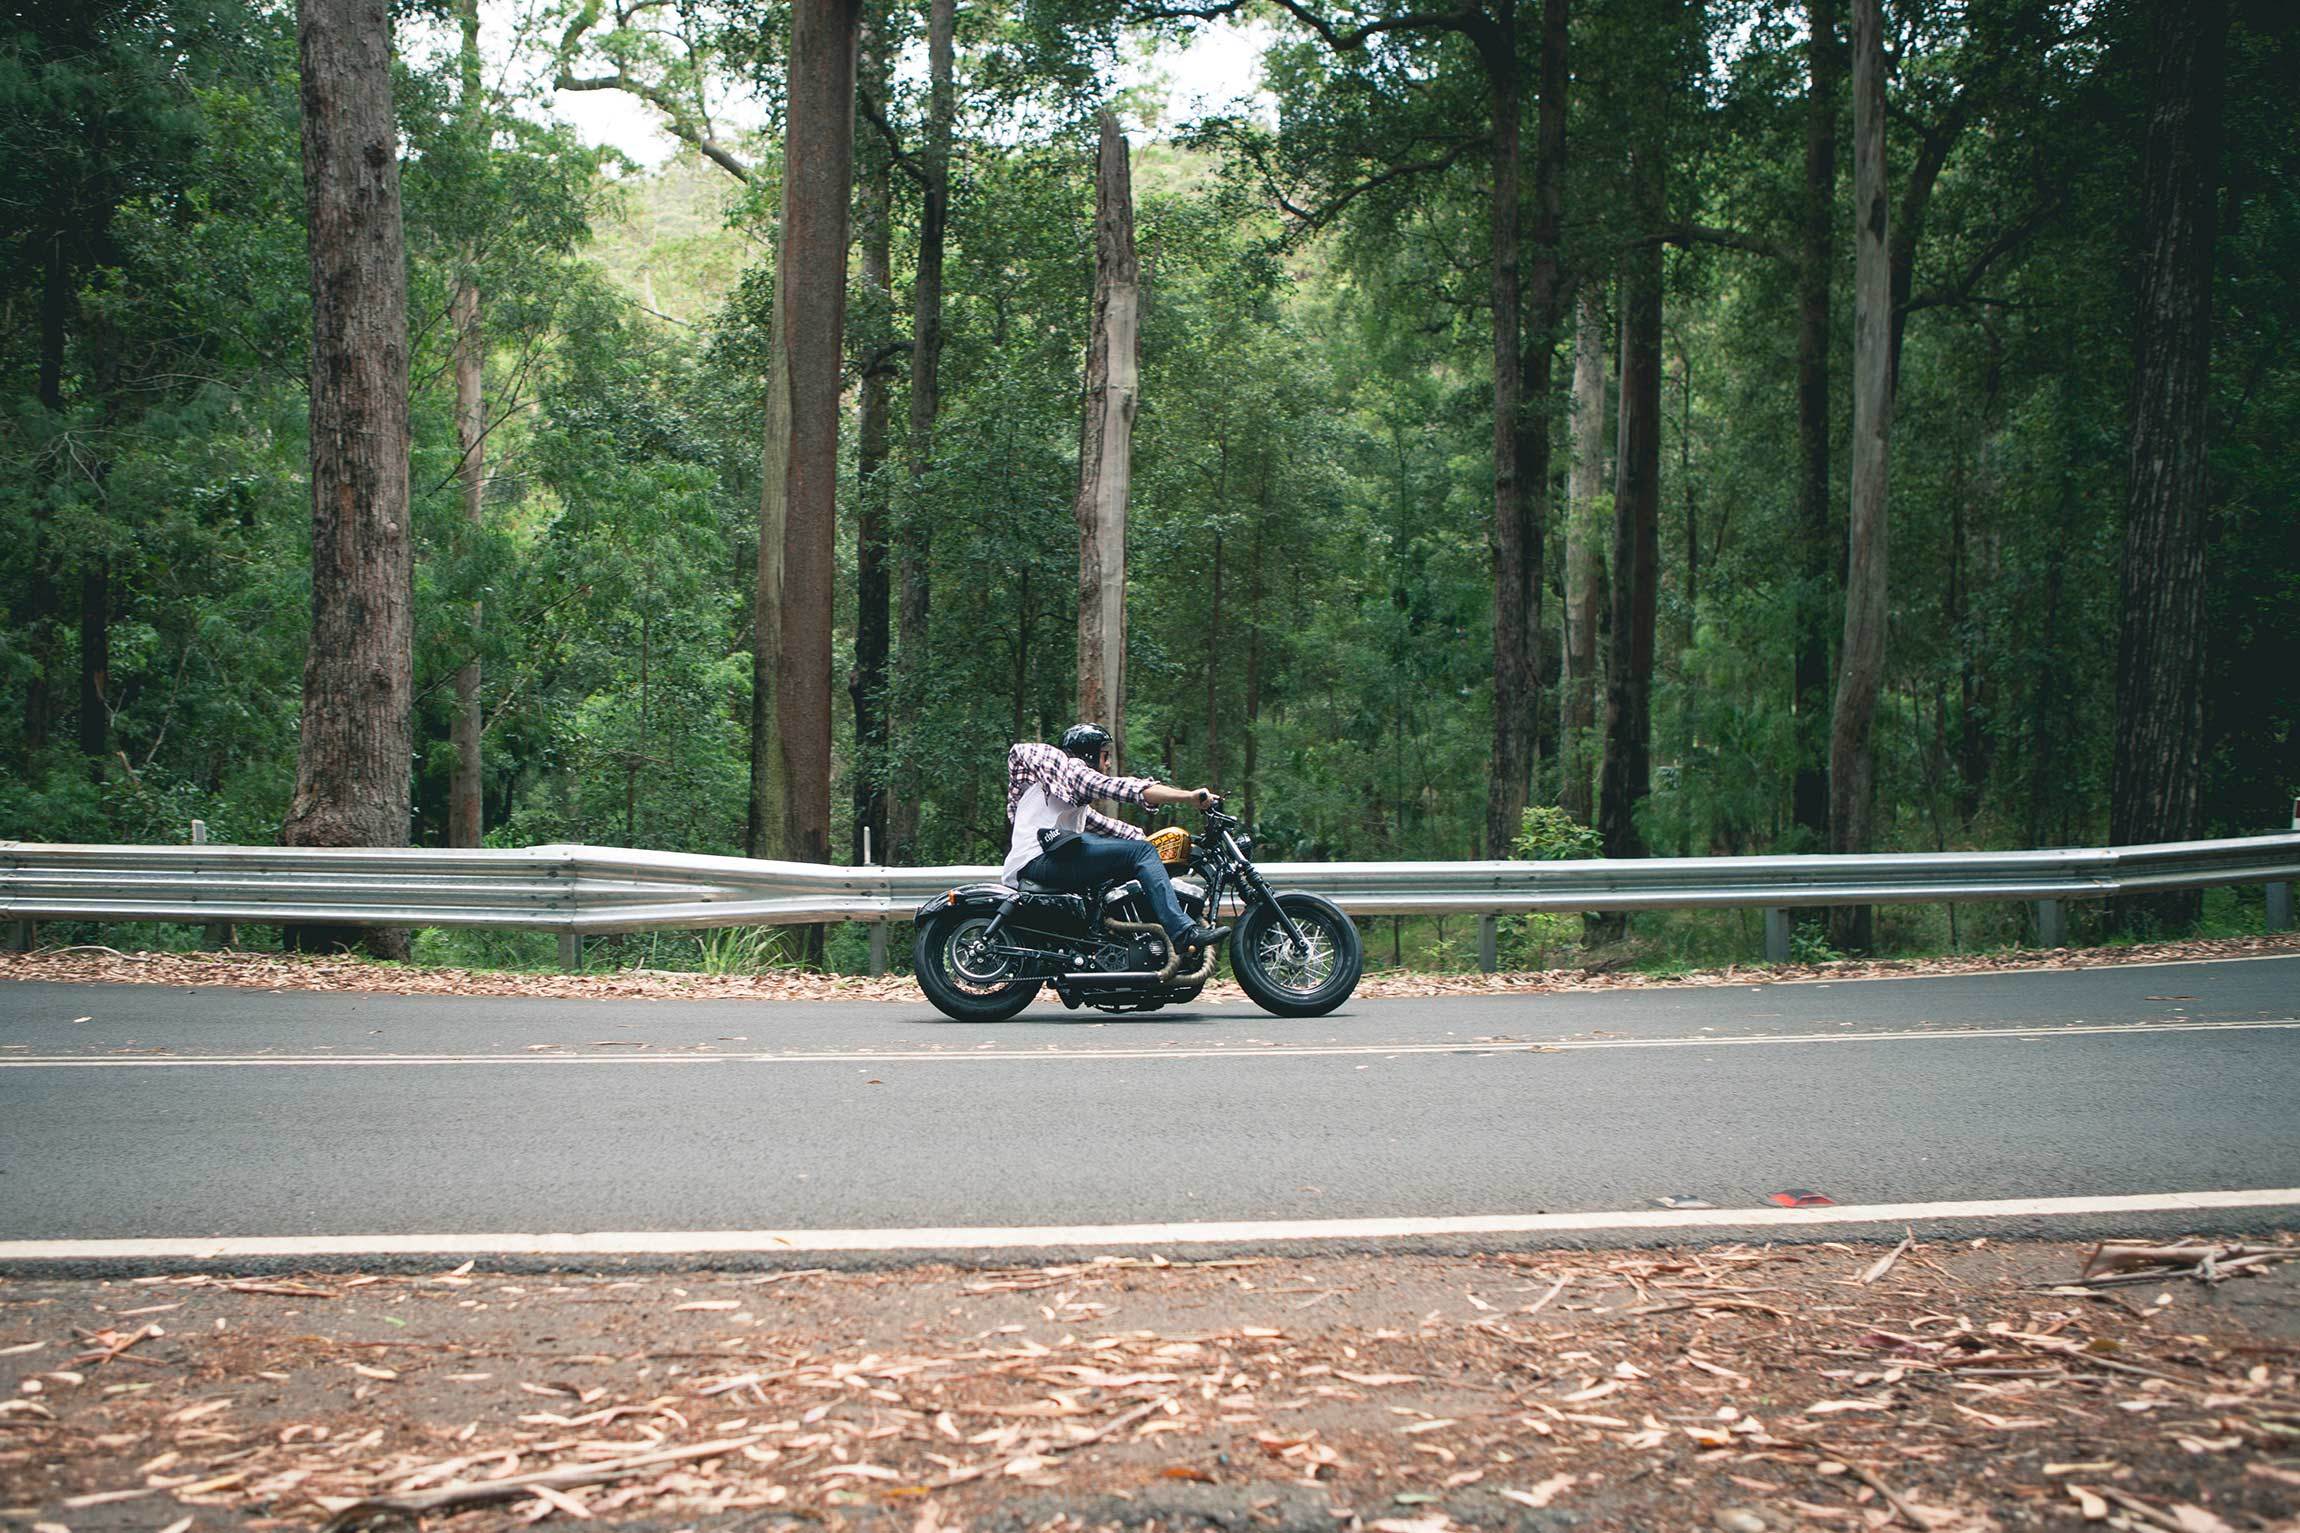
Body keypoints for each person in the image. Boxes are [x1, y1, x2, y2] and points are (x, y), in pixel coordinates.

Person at [1003, 724, 1228, 951]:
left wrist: (1152, 841)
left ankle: (1107, 943)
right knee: (1141, 851)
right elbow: (1126, 788)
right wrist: (1189, 797)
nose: (1108, 763)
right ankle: (1182, 932)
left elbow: (1109, 827)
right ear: (1089, 754)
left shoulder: (1065, 795)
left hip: (1040, 861)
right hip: (1039, 861)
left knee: (1136, 851)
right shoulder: (1075, 772)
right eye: (1105, 755)